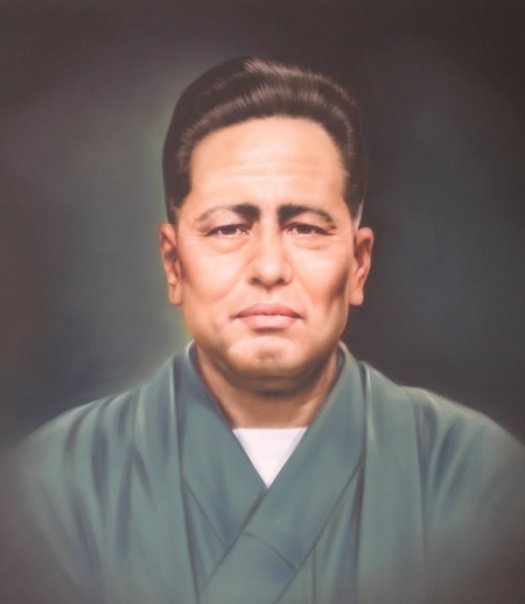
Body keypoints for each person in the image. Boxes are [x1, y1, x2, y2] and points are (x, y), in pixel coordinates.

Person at [2, 57, 524, 604]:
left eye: (306, 228)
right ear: (174, 264)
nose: (270, 267)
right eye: (229, 228)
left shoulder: (477, 479)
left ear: (359, 264)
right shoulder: (51, 489)